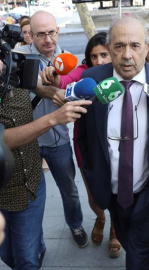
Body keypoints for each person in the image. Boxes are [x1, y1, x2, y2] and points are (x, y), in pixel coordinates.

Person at [77, 15, 149, 270]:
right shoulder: (93, 80)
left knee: (139, 253)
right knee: (130, 243)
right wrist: (92, 172)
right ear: (108, 49)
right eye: (119, 46)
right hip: (111, 192)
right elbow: (82, 133)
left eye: (135, 46)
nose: (127, 55)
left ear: (147, 47)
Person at [0, 61, 91, 268]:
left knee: (27, 260)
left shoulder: (14, 67)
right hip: (2, 192)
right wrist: (53, 119)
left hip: (31, 184)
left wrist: (63, 95)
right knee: (7, 255)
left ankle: (37, 249)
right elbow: (3, 139)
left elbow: (47, 91)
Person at [41, 32, 122, 258]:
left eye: (104, 55)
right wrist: (54, 79)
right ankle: (100, 217)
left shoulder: (123, 73)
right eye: (94, 56)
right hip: (87, 143)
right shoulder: (85, 72)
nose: (99, 61)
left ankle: (115, 229)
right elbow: (65, 81)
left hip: (117, 146)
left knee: (118, 194)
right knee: (94, 195)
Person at [17, 10, 89, 251]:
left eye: (51, 33)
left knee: (69, 189)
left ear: (57, 31)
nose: (47, 39)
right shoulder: (19, 58)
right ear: (30, 35)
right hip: (26, 139)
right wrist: (52, 91)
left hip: (58, 141)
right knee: (30, 198)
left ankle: (76, 223)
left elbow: (75, 96)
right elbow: (31, 87)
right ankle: (35, 242)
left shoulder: (70, 61)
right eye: (40, 34)